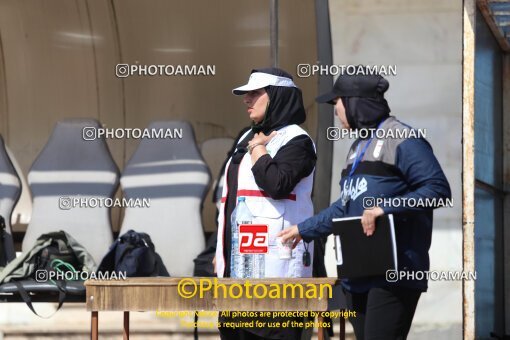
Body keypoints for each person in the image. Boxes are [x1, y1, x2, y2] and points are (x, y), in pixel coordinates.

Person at [279, 73, 451, 339]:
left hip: (394, 275)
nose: (335, 111)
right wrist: (303, 229)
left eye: (337, 103)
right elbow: (344, 207)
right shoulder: (357, 146)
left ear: (354, 103)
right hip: (356, 274)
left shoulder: (403, 138)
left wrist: (385, 208)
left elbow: (438, 190)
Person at [214, 67, 317, 340]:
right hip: (237, 272)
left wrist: (258, 149)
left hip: (277, 276)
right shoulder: (246, 136)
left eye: (254, 93)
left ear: (277, 96)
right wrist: (221, 253)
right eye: (245, 94)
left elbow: (277, 185)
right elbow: (232, 201)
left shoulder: (298, 141)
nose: (246, 100)